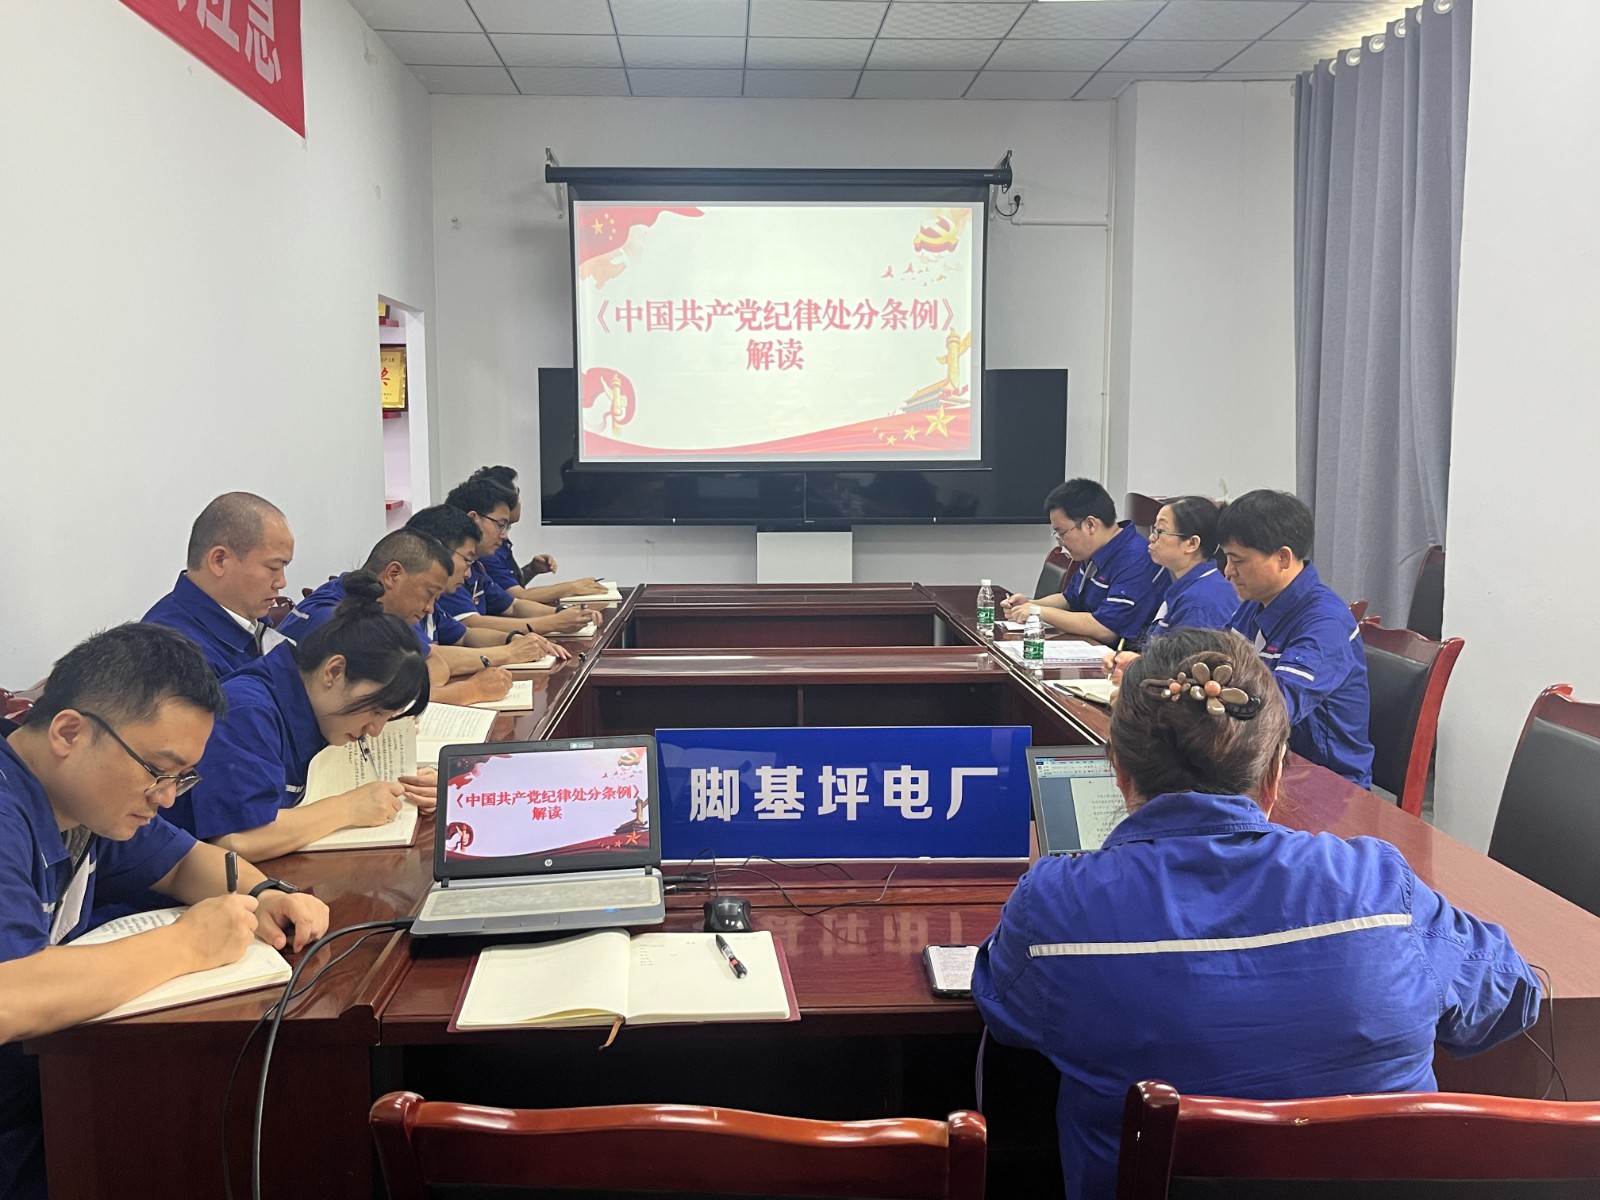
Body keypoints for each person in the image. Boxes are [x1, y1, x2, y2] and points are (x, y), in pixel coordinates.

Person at [973, 628, 1541, 1200]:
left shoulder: (1056, 907)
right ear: (1274, 771)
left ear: (1118, 771)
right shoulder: (1376, 886)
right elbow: (1509, 995)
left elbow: (1008, 1013)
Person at [0, 625, 329, 1200]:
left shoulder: (82, 799)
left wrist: (268, 892)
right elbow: (8, 996)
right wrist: (186, 945)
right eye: (158, 770)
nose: (168, 797)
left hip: (49, 1084)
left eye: (181, 777)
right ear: (69, 732)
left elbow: (181, 863)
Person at [164, 571, 432, 861]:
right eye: (375, 710)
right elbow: (235, 841)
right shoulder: (247, 712)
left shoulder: (323, 708)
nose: (375, 730)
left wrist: (408, 786)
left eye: (388, 716)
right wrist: (348, 809)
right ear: (333, 671)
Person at [281, 528, 559, 706]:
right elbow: (380, 701)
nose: (430, 608)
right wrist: (469, 692)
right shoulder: (339, 617)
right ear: (393, 574)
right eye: (429, 594)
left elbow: (434, 664)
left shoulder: (376, 604)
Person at [1218, 489, 1374, 787]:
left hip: (1325, 780)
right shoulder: (1255, 602)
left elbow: (1273, 709)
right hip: (1265, 760)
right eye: (1227, 558)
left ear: (1283, 557)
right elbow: (1218, 659)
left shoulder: (1324, 623)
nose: (1228, 572)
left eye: (1237, 560)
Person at [142, 492, 295, 677]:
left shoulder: (249, 619)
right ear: (219, 561)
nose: (282, 582)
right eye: (273, 567)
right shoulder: (173, 655)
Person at [1000, 479, 1167, 647]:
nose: (1060, 542)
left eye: (1062, 533)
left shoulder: (1136, 558)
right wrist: (1030, 604)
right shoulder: (1095, 550)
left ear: (1090, 525)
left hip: (1125, 655)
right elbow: (1069, 599)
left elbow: (1105, 629)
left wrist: (1039, 612)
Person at [437, 479, 598, 637]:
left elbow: (513, 606)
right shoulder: (448, 565)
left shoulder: (476, 567)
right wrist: (554, 622)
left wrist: (563, 612)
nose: (504, 535)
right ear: (474, 519)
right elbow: (470, 625)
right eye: (501, 524)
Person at [467, 465, 601, 600]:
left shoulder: (499, 540)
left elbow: (504, 590)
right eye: (516, 497)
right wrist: (572, 587)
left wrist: (531, 570)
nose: (518, 503)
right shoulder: (485, 548)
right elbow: (517, 598)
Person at [1143, 496, 1237, 640]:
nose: (1151, 537)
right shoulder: (1196, 585)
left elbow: (1185, 655)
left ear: (1192, 544)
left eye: (1160, 531)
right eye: (1154, 529)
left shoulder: (1198, 604)